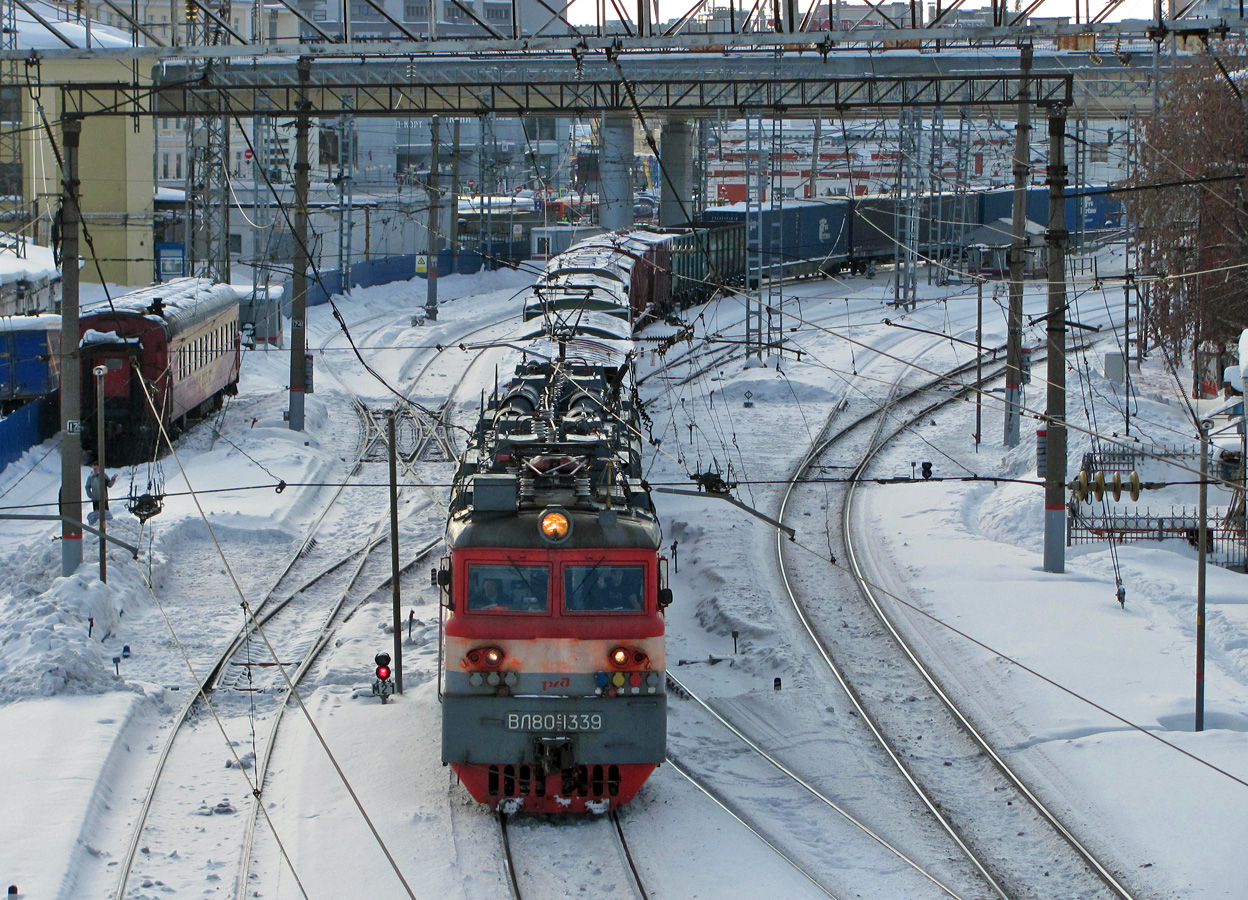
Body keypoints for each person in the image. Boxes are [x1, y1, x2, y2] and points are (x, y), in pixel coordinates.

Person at [85, 463, 117, 527]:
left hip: (103, 498)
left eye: (96, 468)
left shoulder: (103, 475)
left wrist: (113, 479)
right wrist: (90, 494)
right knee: (97, 514)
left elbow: (109, 484)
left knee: (105, 513)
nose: (95, 469)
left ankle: (105, 526)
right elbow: (87, 486)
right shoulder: (91, 477)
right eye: (94, 468)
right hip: (95, 499)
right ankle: (97, 526)